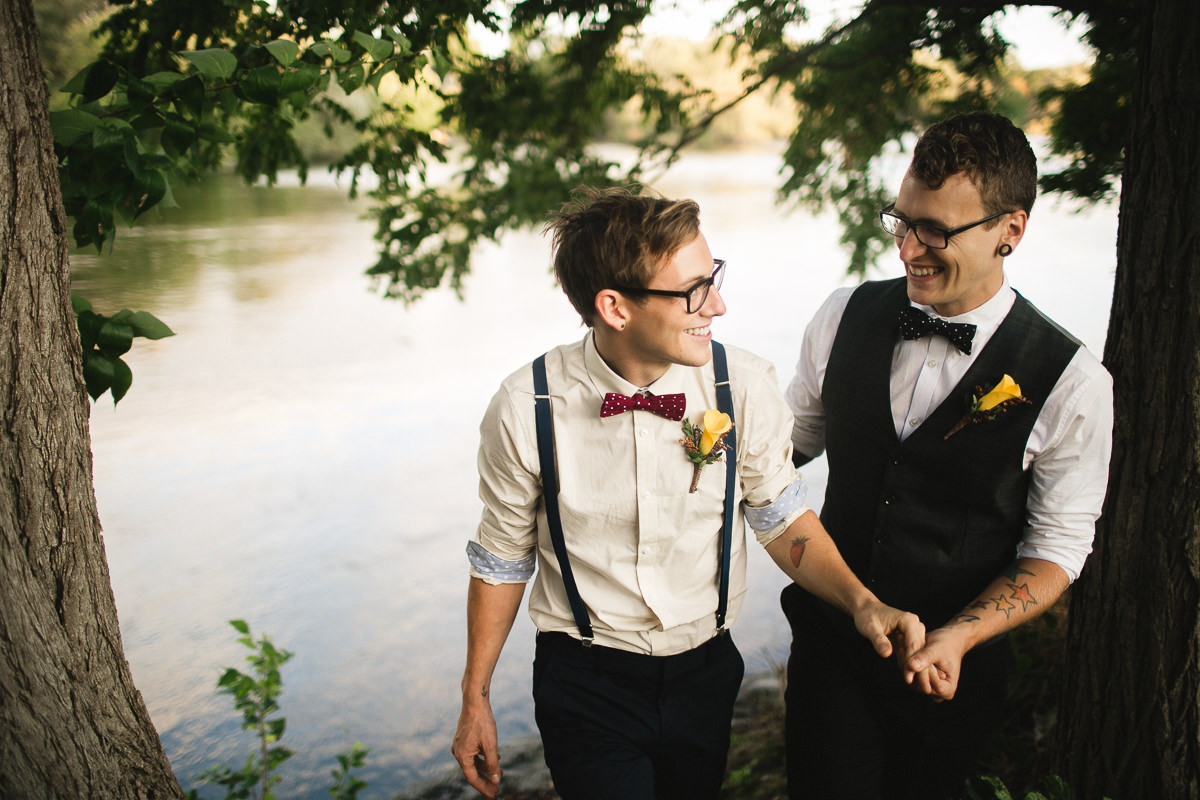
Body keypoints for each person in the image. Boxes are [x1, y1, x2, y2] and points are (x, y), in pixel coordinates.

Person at [451, 186, 924, 800]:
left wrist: (864, 604)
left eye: (714, 278)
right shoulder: (525, 405)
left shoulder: (744, 385)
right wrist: (475, 697)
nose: (718, 305)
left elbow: (781, 518)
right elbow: (502, 557)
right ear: (615, 308)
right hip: (585, 678)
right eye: (694, 291)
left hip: (707, 670)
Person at [781, 110, 1114, 799]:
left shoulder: (1074, 381)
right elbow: (785, 448)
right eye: (902, 221)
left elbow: (1057, 548)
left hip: (952, 676)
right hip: (830, 647)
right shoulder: (842, 314)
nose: (908, 250)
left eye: (937, 231)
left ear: (1010, 231)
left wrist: (958, 637)